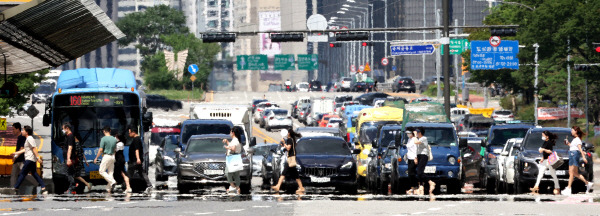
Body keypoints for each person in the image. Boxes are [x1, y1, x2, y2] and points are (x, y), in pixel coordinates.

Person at [12, 126, 46, 194]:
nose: (22, 131)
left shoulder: (30, 138)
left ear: (27, 132)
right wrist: (16, 153)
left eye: (23, 130)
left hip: (29, 159)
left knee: (22, 173)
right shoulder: (27, 139)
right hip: (30, 159)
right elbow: (26, 149)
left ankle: (16, 187)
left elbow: (34, 148)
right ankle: (43, 186)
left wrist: (38, 158)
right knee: (34, 173)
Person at [271, 129, 305, 194]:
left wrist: (284, 143)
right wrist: (284, 145)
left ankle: (278, 186)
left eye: (287, 133)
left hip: (290, 160)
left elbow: (288, 148)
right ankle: (301, 187)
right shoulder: (292, 139)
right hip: (290, 159)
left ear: (289, 133)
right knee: (294, 175)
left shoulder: (290, 139)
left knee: (285, 173)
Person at [562, 126, 593, 195]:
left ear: (576, 131)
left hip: (574, 155)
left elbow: (580, 149)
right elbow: (573, 146)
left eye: (572, 130)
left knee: (571, 172)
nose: (571, 131)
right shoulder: (575, 139)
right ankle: (587, 183)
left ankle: (568, 188)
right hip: (572, 154)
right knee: (575, 173)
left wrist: (584, 157)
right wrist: (568, 143)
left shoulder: (578, 139)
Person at [64, 123, 91, 194]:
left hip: (76, 160)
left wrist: (70, 158)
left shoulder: (74, 142)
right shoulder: (79, 143)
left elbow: (74, 151)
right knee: (74, 174)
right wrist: (85, 161)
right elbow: (82, 153)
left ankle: (79, 184)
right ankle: (76, 185)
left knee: (74, 174)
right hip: (78, 160)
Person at [530, 131, 560, 195]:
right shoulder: (545, 142)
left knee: (553, 174)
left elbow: (550, 151)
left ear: (547, 136)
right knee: (540, 173)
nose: (542, 137)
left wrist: (543, 149)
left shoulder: (549, 142)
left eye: (543, 135)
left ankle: (557, 187)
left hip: (549, 161)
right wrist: (543, 158)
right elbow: (545, 152)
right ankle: (536, 186)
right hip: (545, 161)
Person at [10, 123, 38, 190]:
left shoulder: (22, 137)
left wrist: (15, 156)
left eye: (13, 129)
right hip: (17, 160)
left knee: (25, 174)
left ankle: (38, 184)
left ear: (18, 129)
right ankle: (13, 188)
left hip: (21, 159)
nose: (12, 131)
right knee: (14, 175)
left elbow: (22, 148)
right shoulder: (20, 137)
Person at [128, 126, 153, 194]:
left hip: (134, 161)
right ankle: (149, 185)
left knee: (129, 173)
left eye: (130, 133)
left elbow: (137, 150)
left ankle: (126, 186)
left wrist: (138, 159)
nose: (129, 134)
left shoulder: (136, 139)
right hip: (135, 160)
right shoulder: (137, 139)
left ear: (133, 132)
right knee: (141, 172)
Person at [94, 126, 117, 193]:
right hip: (113, 156)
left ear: (104, 131)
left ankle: (113, 181)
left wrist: (96, 158)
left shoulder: (103, 139)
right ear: (110, 130)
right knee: (110, 172)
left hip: (106, 156)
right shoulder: (114, 139)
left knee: (101, 171)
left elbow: (101, 150)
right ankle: (108, 188)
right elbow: (115, 149)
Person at [413, 128, 435, 195]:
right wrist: (415, 157)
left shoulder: (423, 138)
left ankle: (430, 182)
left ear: (420, 133)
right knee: (418, 172)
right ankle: (421, 187)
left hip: (423, 156)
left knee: (420, 172)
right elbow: (416, 149)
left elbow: (416, 142)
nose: (417, 133)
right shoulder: (418, 139)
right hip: (419, 156)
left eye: (417, 132)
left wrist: (414, 136)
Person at [223, 127, 243, 194]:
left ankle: (233, 186)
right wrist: (227, 142)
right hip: (236, 158)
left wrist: (227, 147)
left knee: (227, 172)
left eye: (230, 132)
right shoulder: (236, 140)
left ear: (233, 133)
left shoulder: (235, 140)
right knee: (236, 173)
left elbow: (233, 148)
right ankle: (237, 188)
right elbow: (233, 146)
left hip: (232, 158)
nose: (230, 133)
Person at [405, 129, 418, 195]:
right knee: (410, 173)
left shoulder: (414, 139)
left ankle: (416, 186)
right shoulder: (409, 140)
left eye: (409, 133)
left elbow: (416, 149)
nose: (408, 135)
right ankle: (412, 187)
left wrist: (416, 158)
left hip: (413, 158)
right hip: (409, 158)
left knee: (412, 173)